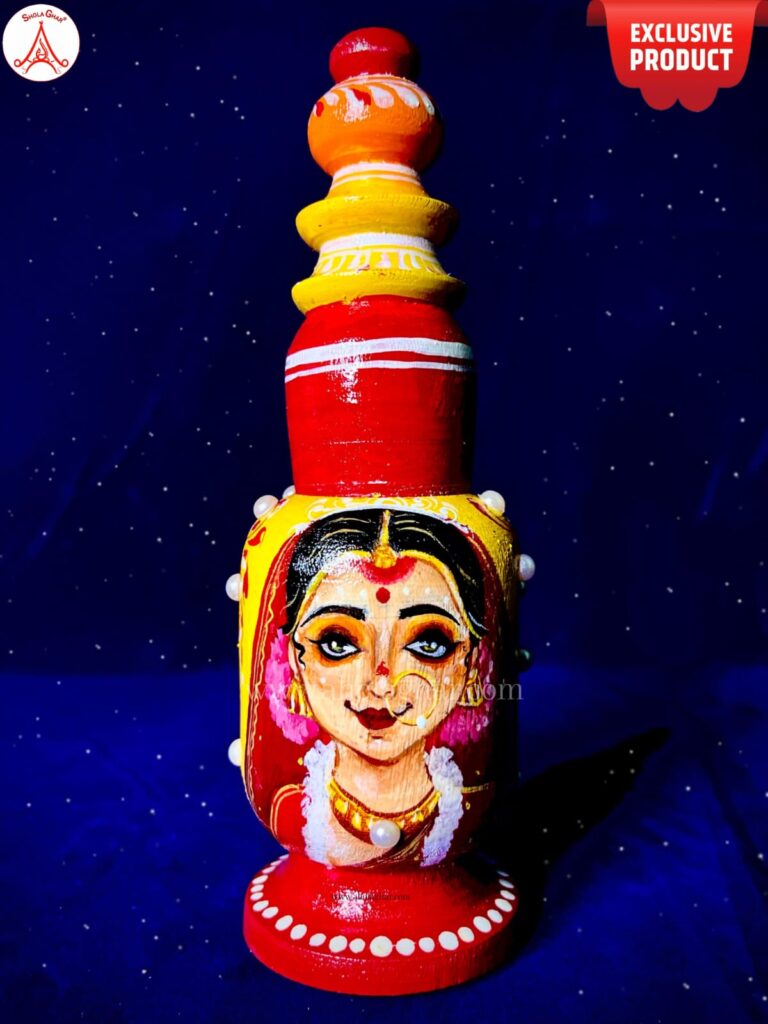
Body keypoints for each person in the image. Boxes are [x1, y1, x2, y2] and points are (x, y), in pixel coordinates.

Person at [267, 507, 495, 867]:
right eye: (338, 643)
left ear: (471, 662)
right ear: (296, 659)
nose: (382, 682)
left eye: (428, 644)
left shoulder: (473, 807)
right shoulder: (291, 810)